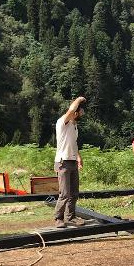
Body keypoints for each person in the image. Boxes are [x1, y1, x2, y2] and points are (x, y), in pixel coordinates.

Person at [54, 95, 86, 228]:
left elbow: (73, 143)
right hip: (63, 162)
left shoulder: (74, 126)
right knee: (65, 193)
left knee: (74, 193)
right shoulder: (63, 122)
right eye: (81, 112)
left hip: (72, 161)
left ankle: (70, 217)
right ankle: (58, 218)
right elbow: (71, 109)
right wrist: (78, 100)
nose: (82, 115)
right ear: (75, 112)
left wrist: (78, 157)